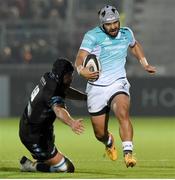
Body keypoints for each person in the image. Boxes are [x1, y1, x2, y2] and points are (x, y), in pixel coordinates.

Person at [75, 5, 156, 168]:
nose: (113, 27)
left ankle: (128, 154)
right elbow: (80, 57)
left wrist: (144, 64)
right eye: (108, 24)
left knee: (122, 112)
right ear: (102, 24)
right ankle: (109, 141)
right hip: (96, 87)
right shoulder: (92, 36)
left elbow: (135, 45)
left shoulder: (126, 33)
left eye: (115, 23)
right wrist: (81, 70)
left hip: (118, 82)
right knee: (99, 134)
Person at [19, 58, 87, 173]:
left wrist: (86, 98)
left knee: (58, 162)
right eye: (68, 75)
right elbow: (59, 111)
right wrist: (72, 123)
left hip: (38, 130)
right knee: (66, 168)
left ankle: (43, 160)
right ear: (61, 75)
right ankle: (29, 166)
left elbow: (65, 91)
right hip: (34, 136)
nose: (71, 78)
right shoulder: (53, 90)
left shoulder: (49, 77)